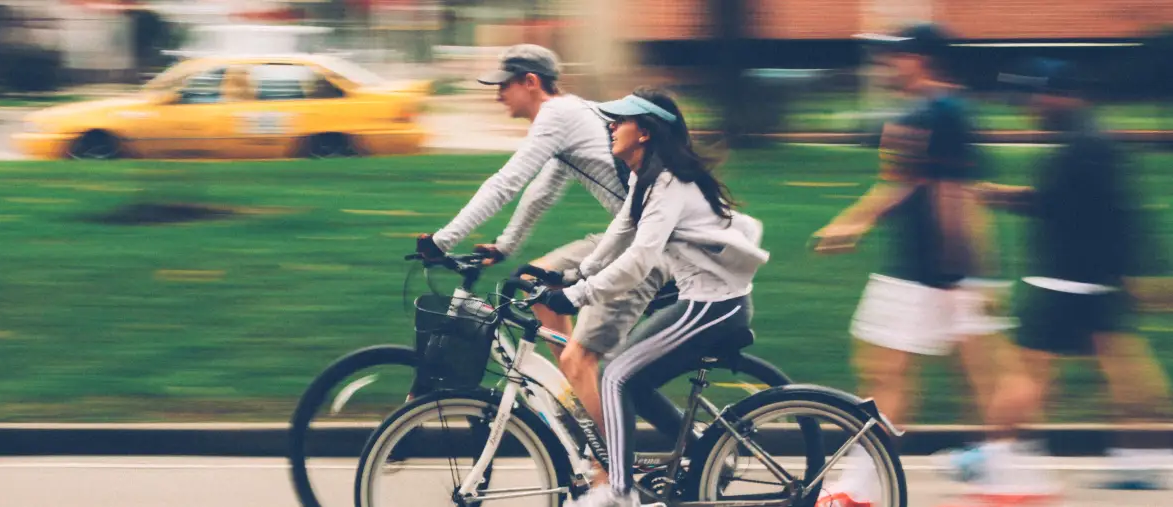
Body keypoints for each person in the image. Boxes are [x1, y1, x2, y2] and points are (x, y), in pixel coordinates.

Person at [412, 44, 684, 469]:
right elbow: (543, 190)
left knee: (582, 357)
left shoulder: (558, 116)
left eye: (503, 85)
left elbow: (507, 182)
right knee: (538, 285)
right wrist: (505, 245)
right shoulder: (571, 117)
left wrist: (443, 241)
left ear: (530, 82)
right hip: (630, 235)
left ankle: (611, 467)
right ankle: (582, 403)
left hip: (653, 248)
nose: (497, 94)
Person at [810, 23, 1013, 506]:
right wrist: (854, 223)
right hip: (929, 269)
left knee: (893, 374)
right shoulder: (932, 111)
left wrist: (971, 271)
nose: (887, 64)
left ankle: (1002, 476)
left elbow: (956, 193)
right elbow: (907, 183)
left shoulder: (944, 112)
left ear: (921, 59)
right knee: (904, 373)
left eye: (894, 56)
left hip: (934, 271)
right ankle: (1003, 474)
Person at [954, 57, 1173, 496]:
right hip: (1093, 281)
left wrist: (997, 197)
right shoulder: (1089, 138)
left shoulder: (1083, 145)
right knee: (1129, 371)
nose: (1029, 106)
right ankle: (1136, 460)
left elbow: (1080, 208)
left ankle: (992, 456)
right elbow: (1095, 208)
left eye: (1034, 96)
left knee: (1027, 375)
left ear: (1060, 94)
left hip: (1063, 281)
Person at [544, 87, 768, 507]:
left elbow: (639, 260)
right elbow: (617, 237)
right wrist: (571, 276)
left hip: (712, 307)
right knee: (634, 379)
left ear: (644, 132)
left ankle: (619, 492)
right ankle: (704, 450)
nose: (611, 126)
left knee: (614, 376)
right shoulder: (645, 179)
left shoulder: (669, 183)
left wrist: (578, 297)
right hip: (703, 303)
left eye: (621, 120)